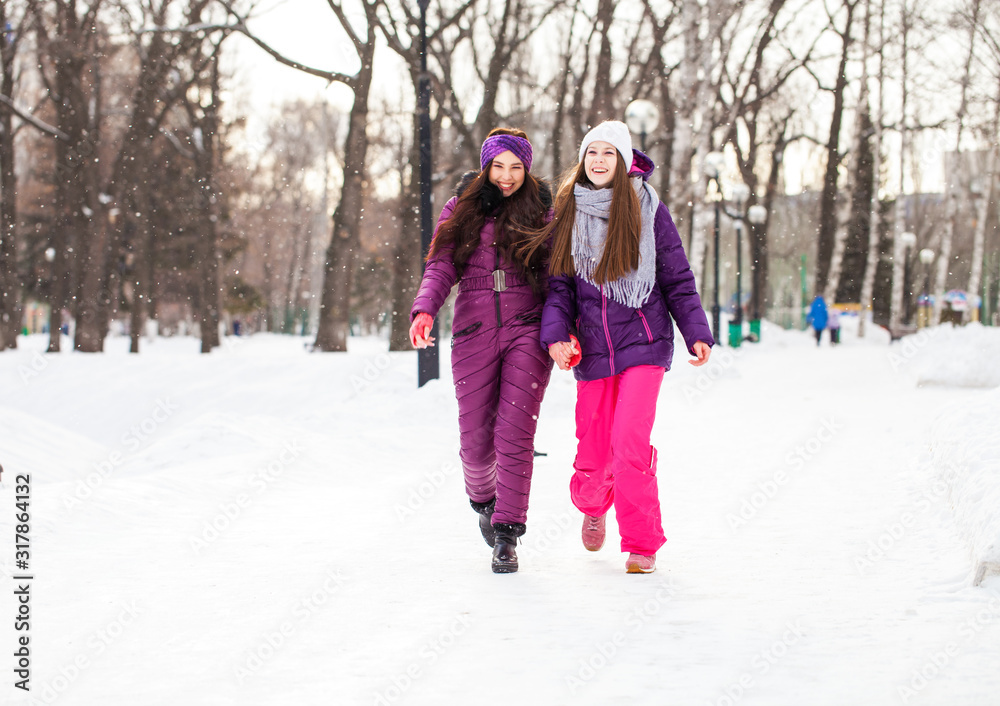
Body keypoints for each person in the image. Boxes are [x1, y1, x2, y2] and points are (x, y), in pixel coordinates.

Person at [525, 121, 713, 574]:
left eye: (610, 153)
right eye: (593, 153)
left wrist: (697, 330)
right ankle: (594, 505)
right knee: (592, 457)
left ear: (624, 161)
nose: (600, 161)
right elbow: (560, 287)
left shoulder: (649, 210)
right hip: (592, 350)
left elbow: (676, 278)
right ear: (583, 160)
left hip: (646, 342)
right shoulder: (568, 213)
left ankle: (641, 544)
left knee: (629, 442)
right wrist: (556, 335)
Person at [409, 128, 553, 574]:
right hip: (473, 329)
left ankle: (508, 534)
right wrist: (424, 310)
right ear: (486, 167)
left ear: (526, 169)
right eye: (499, 166)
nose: (507, 177)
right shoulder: (462, 207)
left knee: (514, 432)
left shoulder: (542, 210)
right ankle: (485, 502)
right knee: (475, 442)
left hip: (527, 326)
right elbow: (440, 264)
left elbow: (556, 274)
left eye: (516, 168)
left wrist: (564, 328)